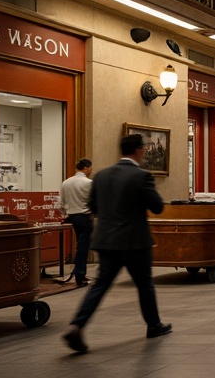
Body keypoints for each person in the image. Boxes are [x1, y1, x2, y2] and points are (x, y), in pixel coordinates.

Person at [62, 134, 171, 353]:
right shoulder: (141, 176)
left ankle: (77, 324)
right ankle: (153, 325)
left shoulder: (101, 176)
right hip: (134, 241)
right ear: (139, 150)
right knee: (144, 284)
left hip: (106, 240)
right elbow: (157, 206)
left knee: (100, 285)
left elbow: (93, 206)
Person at [59, 158, 93, 287]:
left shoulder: (66, 182)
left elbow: (61, 201)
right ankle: (80, 274)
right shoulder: (89, 183)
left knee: (80, 244)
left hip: (72, 216)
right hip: (85, 216)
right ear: (87, 168)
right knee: (83, 247)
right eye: (90, 168)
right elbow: (93, 200)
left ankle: (79, 272)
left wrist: (64, 212)